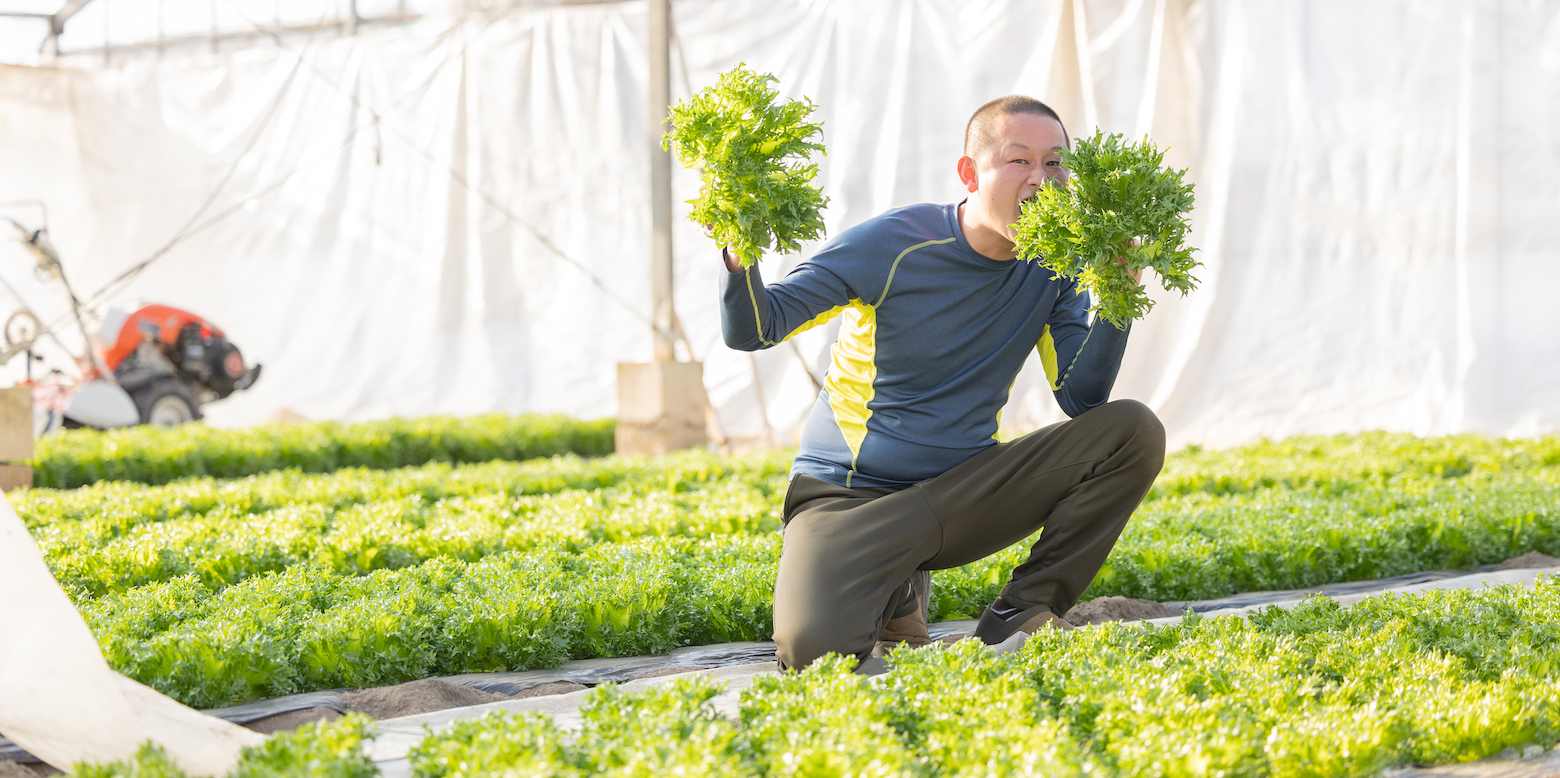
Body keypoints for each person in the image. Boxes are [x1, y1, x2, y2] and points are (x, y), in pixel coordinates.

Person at [718, 95, 1166, 671]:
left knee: (1132, 431)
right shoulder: (890, 244)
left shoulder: (1058, 265)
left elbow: (1083, 398)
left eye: (1054, 163)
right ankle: (897, 590)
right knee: (814, 654)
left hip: (961, 493)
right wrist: (739, 255)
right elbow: (757, 328)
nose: (1040, 178)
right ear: (969, 172)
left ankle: (1024, 608)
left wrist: (1119, 295)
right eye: (1018, 161)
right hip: (850, 501)